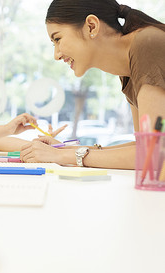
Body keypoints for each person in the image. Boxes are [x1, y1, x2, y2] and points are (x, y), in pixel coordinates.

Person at [20, 0, 165, 169]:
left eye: (58, 39)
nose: (56, 55)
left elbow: (155, 153)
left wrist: (62, 155)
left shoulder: (147, 43)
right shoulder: (127, 69)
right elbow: (142, 146)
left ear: (91, 26)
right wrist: (68, 149)